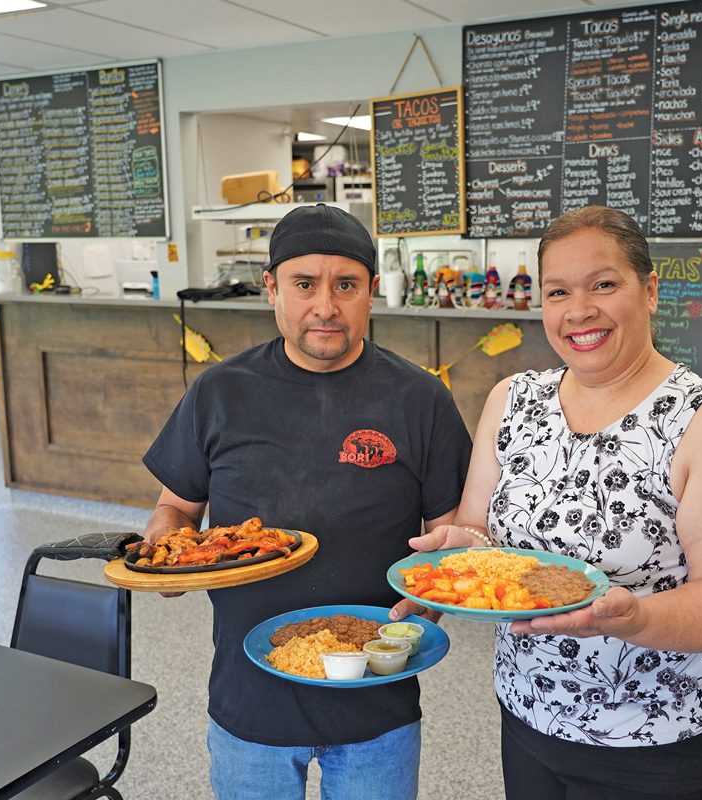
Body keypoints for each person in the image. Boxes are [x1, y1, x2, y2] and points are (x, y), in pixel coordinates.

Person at [392, 205, 702, 799]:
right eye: (558, 292)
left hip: (656, 735)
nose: (579, 311)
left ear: (649, 290)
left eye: (604, 284)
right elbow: (480, 530)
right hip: (527, 709)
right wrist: (459, 554)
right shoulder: (513, 400)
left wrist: (639, 619)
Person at [142, 204, 472, 800]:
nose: (326, 306)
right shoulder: (220, 392)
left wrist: (436, 595)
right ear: (271, 288)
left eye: (346, 284)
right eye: (304, 284)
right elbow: (177, 509)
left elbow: (449, 531)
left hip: (377, 683)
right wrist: (167, 554)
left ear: (372, 290)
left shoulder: (422, 400)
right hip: (250, 687)